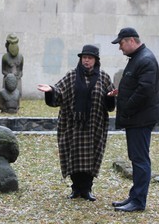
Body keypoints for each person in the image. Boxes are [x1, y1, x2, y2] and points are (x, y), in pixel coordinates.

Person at [37, 44, 115, 201]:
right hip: (72, 126)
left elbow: (110, 101)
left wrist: (110, 97)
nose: (86, 61)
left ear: (96, 60)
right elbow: (59, 91)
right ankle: (76, 189)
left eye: (90, 58)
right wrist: (51, 90)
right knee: (73, 156)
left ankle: (86, 189)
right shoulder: (71, 76)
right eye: (84, 58)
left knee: (91, 157)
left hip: (94, 125)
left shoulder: (104, 77)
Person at [110, 27, 159, 212]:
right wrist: (122, 92)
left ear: (131, 40)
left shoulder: (145, 59)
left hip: (140, 118)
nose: (120, 48)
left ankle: (139, 201)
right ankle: (134, 196)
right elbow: (138, 86)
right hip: (136, 117)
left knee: (140, 159)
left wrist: (126, 106)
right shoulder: (138, 58)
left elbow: (144, 91)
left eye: (121, 43)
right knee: (136, 158)